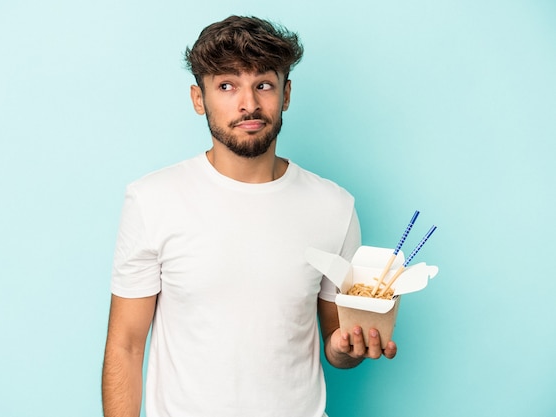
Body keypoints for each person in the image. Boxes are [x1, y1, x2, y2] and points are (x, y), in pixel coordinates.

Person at [102, 15, 397, 417]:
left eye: (264, 85)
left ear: (286, 94)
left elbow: (336, 343)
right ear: (198, 98)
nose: (249, 104)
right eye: (227, 85)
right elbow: (126, 345)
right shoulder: (152, 199)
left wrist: (351, 347)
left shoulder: (334, 206)